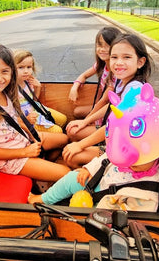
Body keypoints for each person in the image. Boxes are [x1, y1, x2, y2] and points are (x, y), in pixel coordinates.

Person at [28, 83, 159, 212]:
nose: (128, 164)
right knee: (71, 179)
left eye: (136, 163)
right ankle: (43, 199)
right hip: (99, 179)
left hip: (105, 204)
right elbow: (107, 157)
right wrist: (90, 168)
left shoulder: (148, 193)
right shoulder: (129, 150)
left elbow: (130, 217)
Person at [0, 44, 69, 183]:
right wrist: (26, 152)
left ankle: (41, 171)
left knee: (64, 139)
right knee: (67, 173)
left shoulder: (7, 94)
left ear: (12, 73)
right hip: (9, 159)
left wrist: (32, 135)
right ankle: (39, 175)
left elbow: (17, 122)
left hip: (23, 140)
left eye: (4, 71)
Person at [63, 33, 152, 169]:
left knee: (72, 156)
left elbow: (114, 126)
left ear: (140, 62)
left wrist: (80, 145)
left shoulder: (134, 90)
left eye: (126, 57)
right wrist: (85, 122)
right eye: (114, 57)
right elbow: (111, 107)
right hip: (116, 139)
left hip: (126, 150)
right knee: (74, 133)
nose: (119, 62)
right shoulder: (123, 82)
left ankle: (96, 183)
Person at [68, 26, 121, 118]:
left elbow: (104, 101)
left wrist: (86, 121)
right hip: (102, 107)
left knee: (74, 131)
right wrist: (75, 87)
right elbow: (84, 75)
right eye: (99, 45)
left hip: (112, 112)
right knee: (77, 112)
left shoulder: (117, 72)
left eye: (107, 45)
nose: (102, 49)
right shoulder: (101, 65)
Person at [14, 49, 67, 133]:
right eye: (20, 67)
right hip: (27, 118)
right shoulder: (11, 89)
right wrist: (25, 120)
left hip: (35, 110)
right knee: (58, 131)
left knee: (63, 119)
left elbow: (33, 101)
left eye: (29, 67)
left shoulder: (28, 81)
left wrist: (38, 87)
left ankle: (53, 138)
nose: (26, 71)